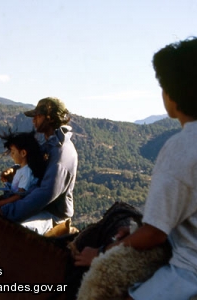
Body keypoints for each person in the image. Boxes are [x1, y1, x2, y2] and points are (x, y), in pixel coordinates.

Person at [74, 37, 197, 300]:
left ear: (172, 95)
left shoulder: (181, 147)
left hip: (189, 273)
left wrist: (105, 252)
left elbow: (154, 233)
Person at [0, 97, 78, 235]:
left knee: (16, 233)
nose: (33, 120)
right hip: (39, 209)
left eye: (38, 116)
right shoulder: (50, 145)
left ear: (50, 118)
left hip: (52, 214)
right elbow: (34, 165)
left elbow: (45, 194)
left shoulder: (62, 152)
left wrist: (8, 210)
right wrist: (14, 171)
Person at [0, 130, 46, 208]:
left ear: (23, 153)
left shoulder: (26, 173)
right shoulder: (22, 169)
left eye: (13, 152)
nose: (11, 155)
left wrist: (0, 203)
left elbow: (19, 195)